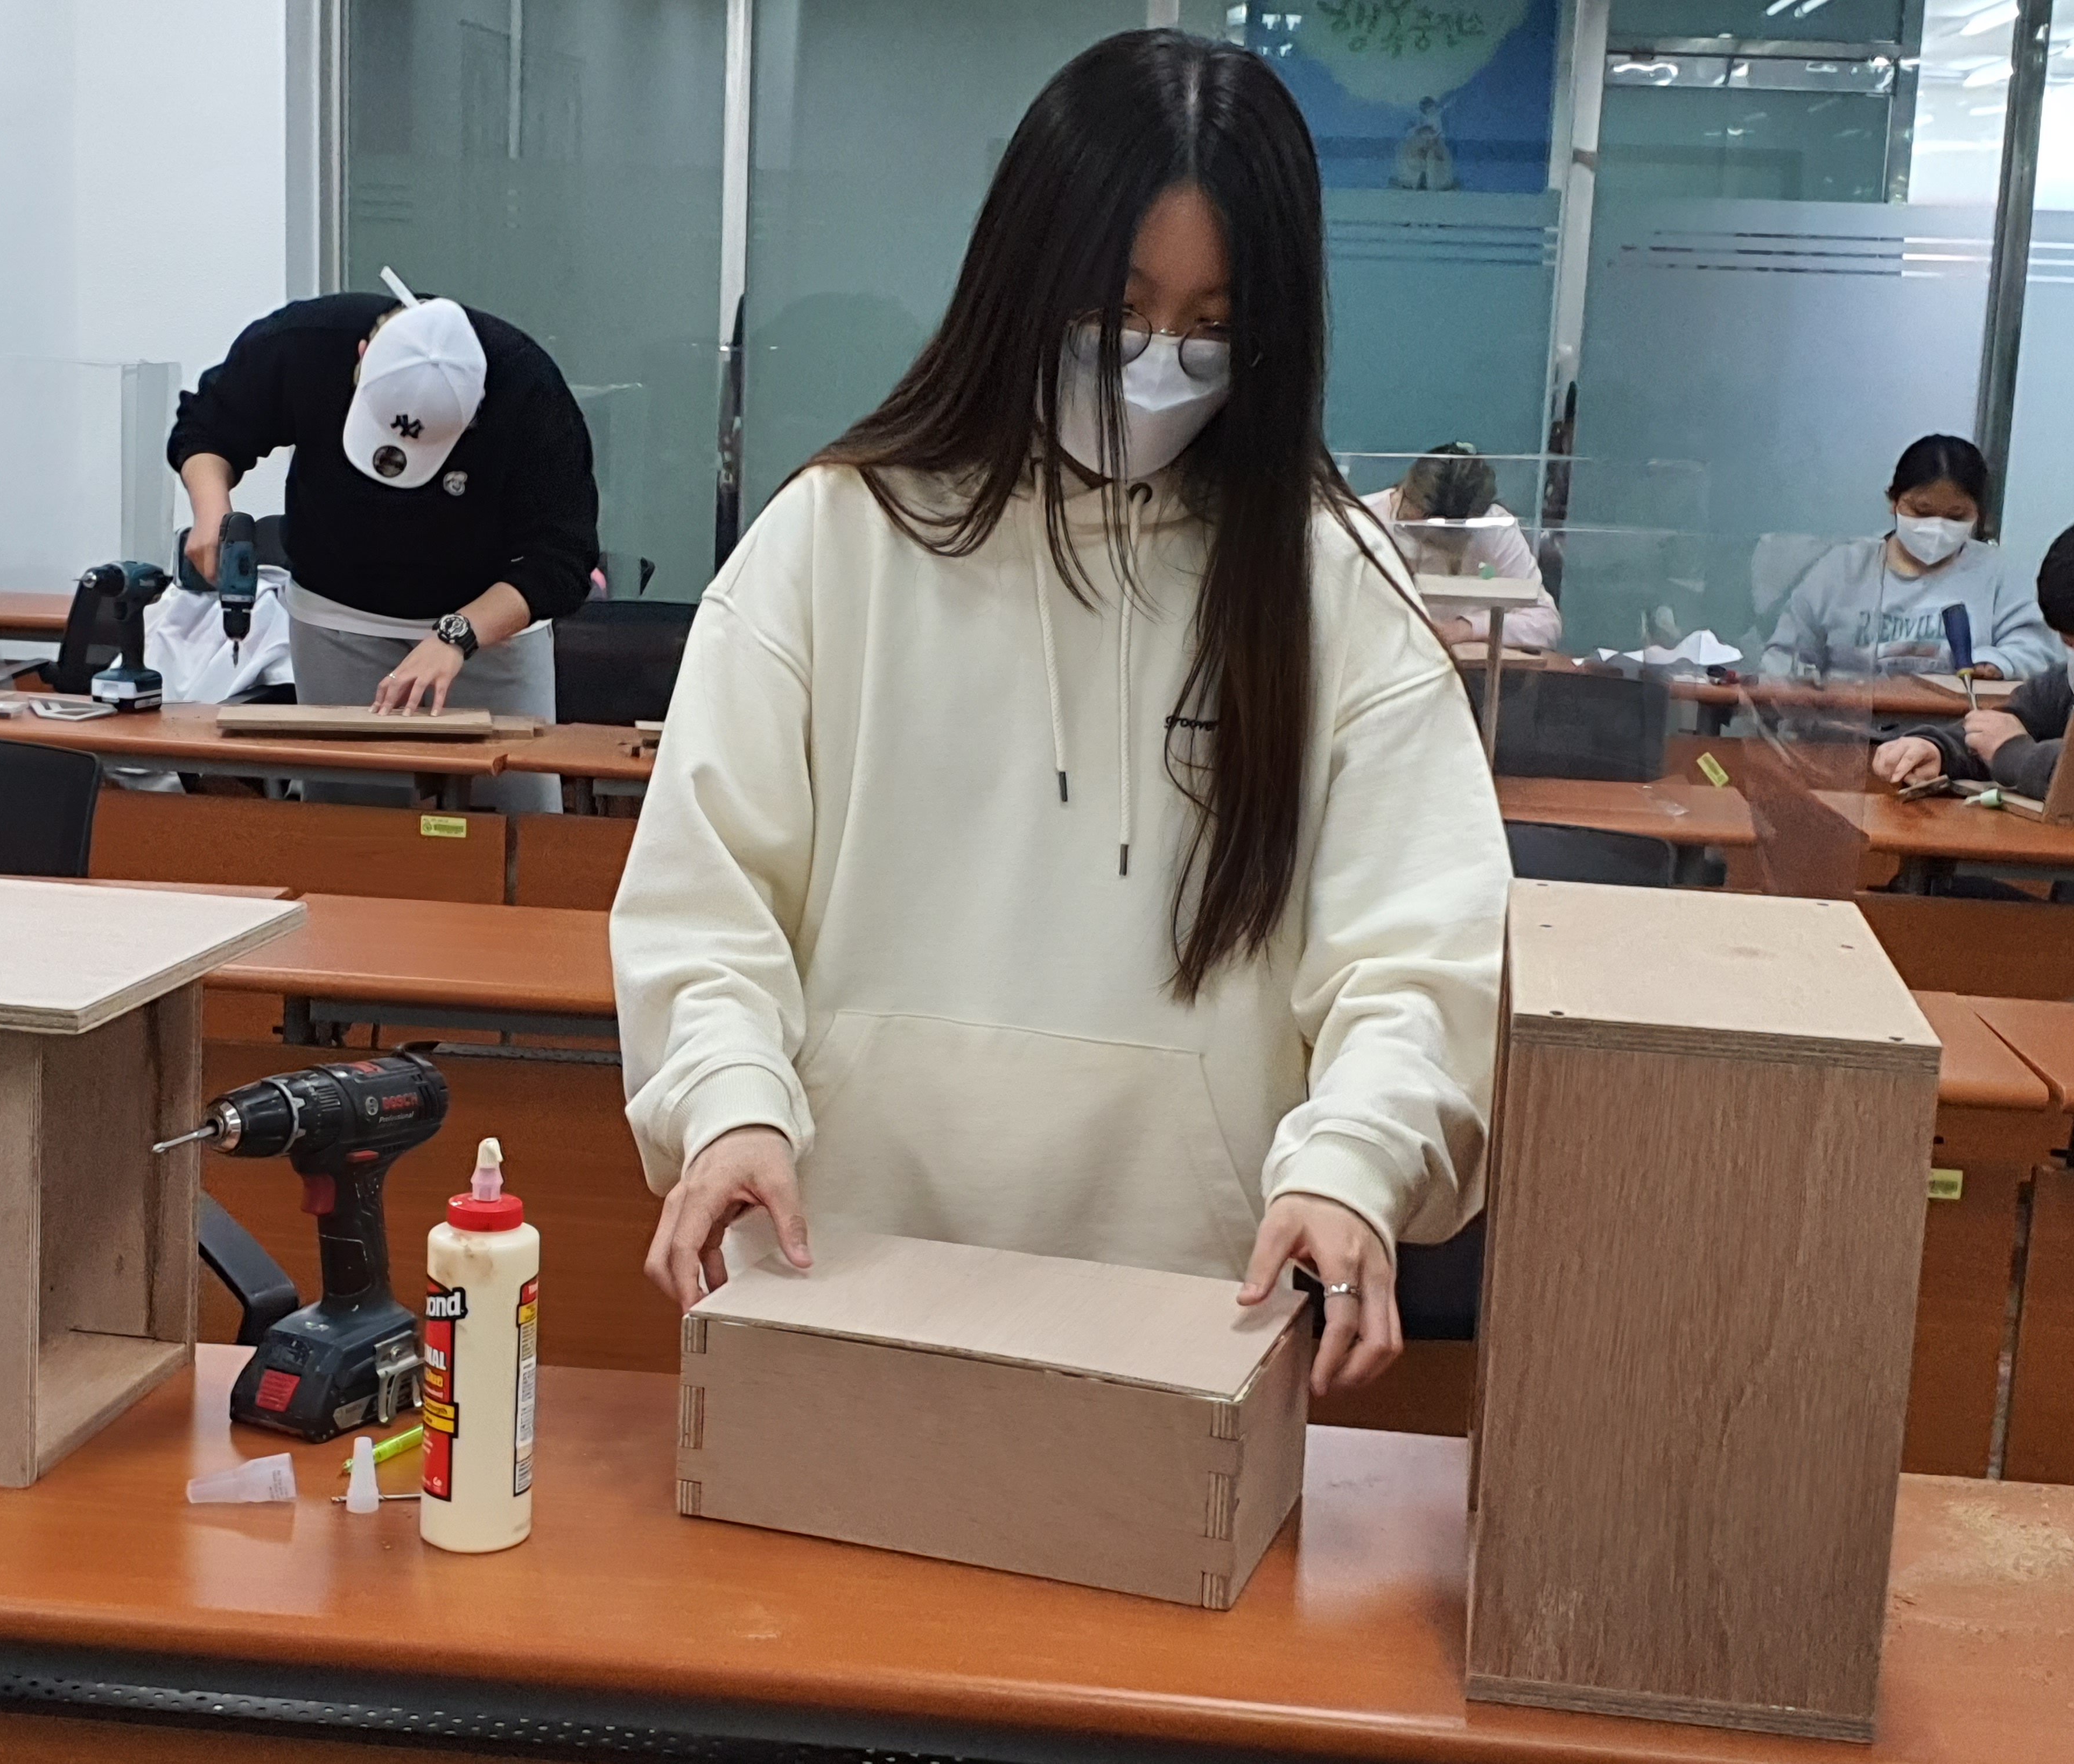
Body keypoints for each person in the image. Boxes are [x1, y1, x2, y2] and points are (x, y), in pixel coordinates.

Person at [611, 30, 1511, 1398]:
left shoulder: (1331, 587)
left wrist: (1356, 1160)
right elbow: (706, 900)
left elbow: (1424, 956)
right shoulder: (833, 542)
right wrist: (729, 1101)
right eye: (1118, 306)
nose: (1157, 367)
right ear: (1024, 276)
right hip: (840, 1281)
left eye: (1213, 327)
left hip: (1191, 1324)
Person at [167, 272, 599, 813]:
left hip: (489, 631)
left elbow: (562, 559)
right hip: (337, 619)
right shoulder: (306, 342)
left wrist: (458, 635)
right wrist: (212, 511)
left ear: (476, 411)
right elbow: (209, 426)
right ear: (362, 356)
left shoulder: (528, 392)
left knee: (512, 818)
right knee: (349, 820)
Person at [1873, 506, 2074, 818]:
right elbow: (2006, 725)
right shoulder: (2066, 685)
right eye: (2067, 640)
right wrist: (1937, 750)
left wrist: (2013, 754)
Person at [1762, 435, 2055, 681]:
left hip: (1956, 727)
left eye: (1956, 516)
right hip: (1843, 727)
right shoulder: (1840, 571)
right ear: (1893, 501)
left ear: (1980, 514)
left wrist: (1999, 664)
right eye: (1921, 511)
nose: (1937, 526)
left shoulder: (1997, 572)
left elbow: (2039, 651)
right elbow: (1785, 658)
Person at [1360, 443, 1562, 650]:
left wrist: (1468, 628)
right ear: (1407, 493)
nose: (1430, 538)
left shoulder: (1492, 529)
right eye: (1421, 525)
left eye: (1446, 534)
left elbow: (1546, 624)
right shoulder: (1362, 521)